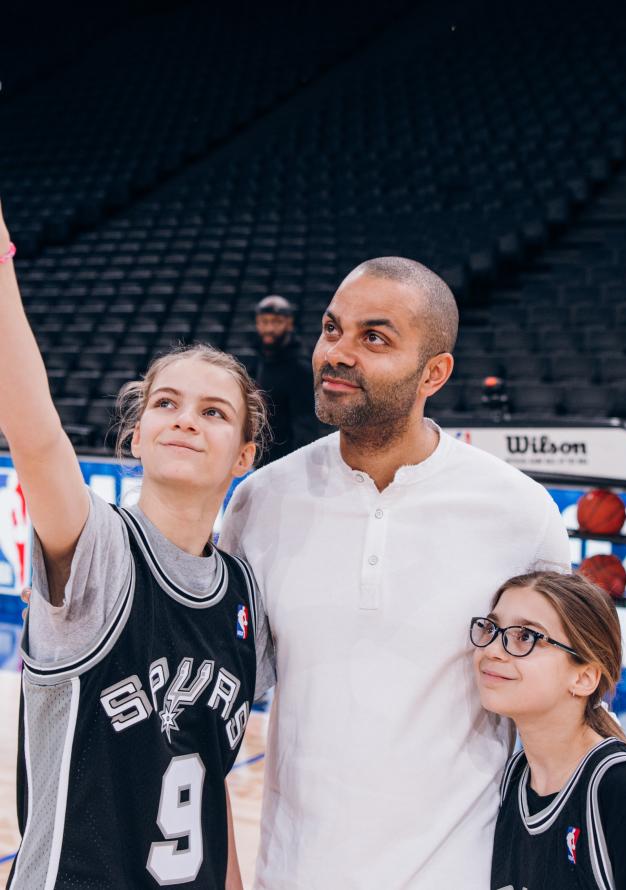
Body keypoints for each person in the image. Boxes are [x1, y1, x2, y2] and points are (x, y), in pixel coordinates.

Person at [220, 256, 572, 890]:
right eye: (333, 330)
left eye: (373, 337)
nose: (339, 352)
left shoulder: (520, 512)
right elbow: (212, 706)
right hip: (293, 873)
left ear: (433, 373)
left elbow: (555, 717)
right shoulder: (260, 502)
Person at [0, 202, 275, 889]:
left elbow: (211, 781)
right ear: (136, 435)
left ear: (243, 455)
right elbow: (34, 435)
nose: (186, 420)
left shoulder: (242, 596)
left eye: (213, 412)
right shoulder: (98, 550)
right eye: (166, 404)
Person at [470, 570, 626, 889]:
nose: (493, 649)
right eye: (492, 629)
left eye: (525, 636)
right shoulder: (514, 778)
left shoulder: (620, 788)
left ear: (584, 678)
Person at [243, 294, 319, 464]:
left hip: (284, 462)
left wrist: (298, 465)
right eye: (264, 321)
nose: (269, 328)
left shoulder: (300, 367)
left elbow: (305, 424)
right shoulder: (257, 359)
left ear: (289, 323)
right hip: (258, 457)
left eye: (276, 322)